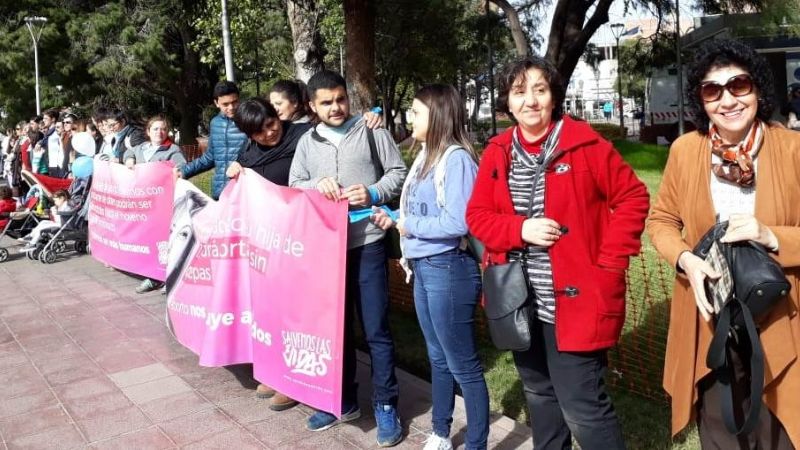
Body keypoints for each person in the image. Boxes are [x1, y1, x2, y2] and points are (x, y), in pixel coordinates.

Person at [465, 56, 649, 450]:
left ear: (553, 97)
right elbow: (477, 217)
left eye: (540, 89)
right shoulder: (497, 151)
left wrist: (611, 261)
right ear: (507, 102)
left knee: (583, 407)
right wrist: (520, 229)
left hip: (576, 299)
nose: (530, 100)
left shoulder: (587, 146)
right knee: (539, 396)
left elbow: (633, 197)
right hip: (518, 301)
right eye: (519, 92)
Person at [647, 39, 800, 449]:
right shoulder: (686, 151)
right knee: (719, 428)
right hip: (711, 316)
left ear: (758, 90)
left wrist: (772, 236)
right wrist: (685, 261)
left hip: (778, 315)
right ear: (701, 100)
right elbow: (662, 221)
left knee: (776, 429)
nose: (728, 99)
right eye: (712, 90)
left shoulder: (792, 149)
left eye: (739, 85)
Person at [289, 70, 407, 446]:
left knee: (375, 328)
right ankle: (341, 400)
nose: (336, 107)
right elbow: (295, 185)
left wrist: (372, 192)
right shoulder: (307, 142)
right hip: (327, 249)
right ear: (312, 106)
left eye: (340, 99)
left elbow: (398, 173)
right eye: (326, 102)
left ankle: (386, 404)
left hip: (368, 242)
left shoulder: (373, 130)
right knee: (335, 329)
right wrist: (314, 186)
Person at [371, 84, 488, 450]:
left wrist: (410, 226)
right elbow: (419, 211)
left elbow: (458, 223)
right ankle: (441, 431)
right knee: (437, 356)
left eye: (416, 112)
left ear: (436, 116)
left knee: (463, 365)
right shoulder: (423, 157)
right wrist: (394, 218)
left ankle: (477, 443)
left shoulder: (457, 160)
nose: (410, 117)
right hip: (423, 268)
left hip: (449, 270)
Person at [123, 115, 186, 294]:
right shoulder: (141, 148)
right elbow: (129, 152)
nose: (160, 132)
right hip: (144, 204)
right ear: (148, 132)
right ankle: (152, 276)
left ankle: (166, 277)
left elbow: (182, 167)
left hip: (163, 205)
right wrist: (129, 160)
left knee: (164, 243)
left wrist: (176, 171)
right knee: (149, 241)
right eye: (155, 129)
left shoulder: (172, 149)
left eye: (163, 129)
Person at [179, 81, 247, 200]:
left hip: (243, 194)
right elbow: (210, 157)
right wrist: (184, 171)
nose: (231, 107)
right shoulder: (215, 123)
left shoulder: (250, 121)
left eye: (234, 102)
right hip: (220, 194)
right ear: (216, 103)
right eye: (225, 104)